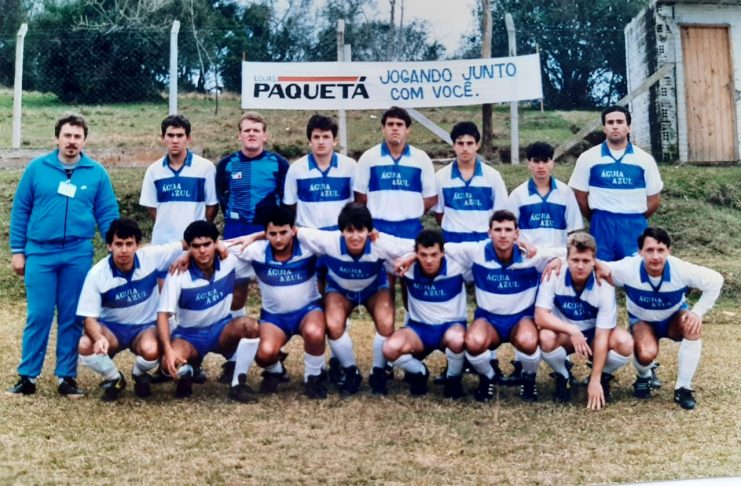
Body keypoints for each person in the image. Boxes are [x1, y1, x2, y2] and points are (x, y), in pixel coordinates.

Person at [7, 114, 119, 398]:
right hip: (40, 251)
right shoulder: (37, 169)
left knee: (71, 316)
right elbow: (20, 210)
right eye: (67, 135)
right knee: (39, 314)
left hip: (77, 252)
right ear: (57, 138)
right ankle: (27, 376)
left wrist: (115, 247)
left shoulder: (96, 172)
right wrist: (18, 251)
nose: (72, 141)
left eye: (77, 136)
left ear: (84, 140)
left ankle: (66, 376)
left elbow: (107, 214)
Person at [595, 227, 723, 410]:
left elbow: (716, 280)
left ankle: (683, 388)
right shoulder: (628, 268)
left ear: (669, 251)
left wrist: (697, 312)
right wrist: (559, 260)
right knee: (646, 353)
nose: (655, 256)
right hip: (642, 321)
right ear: (640, 252)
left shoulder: (681, 269)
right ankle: (644, 376)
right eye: (649, 250)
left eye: (660, 250)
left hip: (673, 319)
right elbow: (593, 264)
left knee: (692, 325)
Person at [292, 203, 413, 395]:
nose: (355, 236)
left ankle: (378, 373)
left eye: (360, 230)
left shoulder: (380, 242)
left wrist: (410, 257)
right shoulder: (328, 240)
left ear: (369, 231)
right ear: (341, 231)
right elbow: (291, 231)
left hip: (373, 288)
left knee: (386, 321)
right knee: (333, 323)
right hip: (340, 289)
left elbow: (419, 245)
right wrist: (252, 237)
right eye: (350, 230)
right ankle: (350, 372)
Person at [444, 210, 563, 402]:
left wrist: (557, 259)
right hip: (488, 318)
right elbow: (441, 248)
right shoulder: (476, 251)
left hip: (521, 318)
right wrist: (412, 256)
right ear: (489, 232)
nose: (503, 234)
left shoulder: (531, 254)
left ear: (517, 233)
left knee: (528, 340)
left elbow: (570, 252)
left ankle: (528, 379)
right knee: (473, 341)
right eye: (497, 229)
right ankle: (488, 377)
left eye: (508, 230)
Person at [432, 121, 509, 385]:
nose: (465, 148)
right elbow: (439, 213)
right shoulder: (442, 177)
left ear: (477, 145)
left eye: (469, 143)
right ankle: (455, 360)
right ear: (453, 146)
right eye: (460, 143)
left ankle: (490, 358)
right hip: (453, 246)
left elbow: (500, 214)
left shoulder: (492, 176)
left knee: (487, 302)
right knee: (455, 302)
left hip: (484, 247)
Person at [76, 218, 187, 401]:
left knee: (151, 349)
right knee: (84, 344)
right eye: (119, 244)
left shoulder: (151, 256)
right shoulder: (97, 274)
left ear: (138, 245)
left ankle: (139, 374)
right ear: (109, 246)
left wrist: (189, 255)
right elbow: (89, 318)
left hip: (145, 327)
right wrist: (98, 338)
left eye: (129, 244)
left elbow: (188, 242)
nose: (124, 250)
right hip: (112, 329)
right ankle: (115, 378)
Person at [157, 221, 260, 403]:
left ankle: (238, 384)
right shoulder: (178, 274)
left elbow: (271, 239)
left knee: (251, 326)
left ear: (216, 243)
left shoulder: (230, 260)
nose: (202, 250)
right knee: (168, 363)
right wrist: (168, 349)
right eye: (196, 246)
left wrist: (221, 245)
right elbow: (163, 315)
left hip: (222, 330)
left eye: (207, 244)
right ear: (189, 248)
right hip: (189, 336)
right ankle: (188, 372)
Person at [232, 207, 328, 399]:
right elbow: (213, 247)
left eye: (283, 232)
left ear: (293, 230)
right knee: (264, 354)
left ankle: (314, 378)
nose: (278, 239)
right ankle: (276, 371)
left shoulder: (308, 247)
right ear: (266, 233)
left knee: (314, 332)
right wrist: (187, 255)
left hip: (308, 311)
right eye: (272, 234)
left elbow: (333, 239)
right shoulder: (256, 251)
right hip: (274, 318)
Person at [536, 232, 633, 409]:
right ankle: (563, 375)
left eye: (586, 261)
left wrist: (595, 380)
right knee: (545, 337)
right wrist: (572, 330)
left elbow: (602, 336)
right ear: (566, 259)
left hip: (593, 335)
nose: (580, 266)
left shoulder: (603, 283)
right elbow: (540, 316)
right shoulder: (554, 273)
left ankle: (601, 377)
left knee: (625, 342)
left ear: (594, 261)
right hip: (565, 334)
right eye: (575, 260)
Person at [568, 105, 663, 261]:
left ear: (628, 127)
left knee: (634, 270)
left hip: (634, 225)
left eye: (620, 122)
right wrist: (597, 218)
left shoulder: (644, 159)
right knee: (602, 270)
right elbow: (580, 197)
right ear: (604, 128)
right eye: (610, 122)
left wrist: (635, 216)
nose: (615, 126)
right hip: (601, 224)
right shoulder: (588, 158)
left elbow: (654, 199)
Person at [385, 229, 469, 398]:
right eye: (423, 255)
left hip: (450, 327)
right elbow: (383, 251)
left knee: (457, 339)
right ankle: (419, 373)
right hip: (419, 330)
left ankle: (453, 379)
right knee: (389, 348)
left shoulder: (459, 266)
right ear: (416, 254)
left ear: (442, 252)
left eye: (434, 254)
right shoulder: (407, 268)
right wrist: (409, 256)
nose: (429, 260)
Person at [139, 115, 218, 246]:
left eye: (180, 135)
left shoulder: (206, 168)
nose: (175, 140)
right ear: (163, 138)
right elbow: (151, 207)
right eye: (170, 135)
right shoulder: (153, 170)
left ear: (188, 138)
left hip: (195, 244)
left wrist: (198, 232)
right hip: (163, 244)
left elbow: (212, 207)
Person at [283, 114, 356, 231]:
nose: (321, 142)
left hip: (339, 234)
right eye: (316, 137)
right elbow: (290, 206)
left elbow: (356, 204)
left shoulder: (350, 166)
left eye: (326, 137)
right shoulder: (296, 169)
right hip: (307, 235)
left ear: (335, 141)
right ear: (309, 141)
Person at [508, 141, 583, 247]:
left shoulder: (566, 193)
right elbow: (508, 231)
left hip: (559, 255)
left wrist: (565, 255)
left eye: (545, 161)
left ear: (552, 163)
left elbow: (573, 232)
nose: (541, 166)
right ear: (528, 164)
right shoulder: (517, 195)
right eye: (536, 161)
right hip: (527, 256)